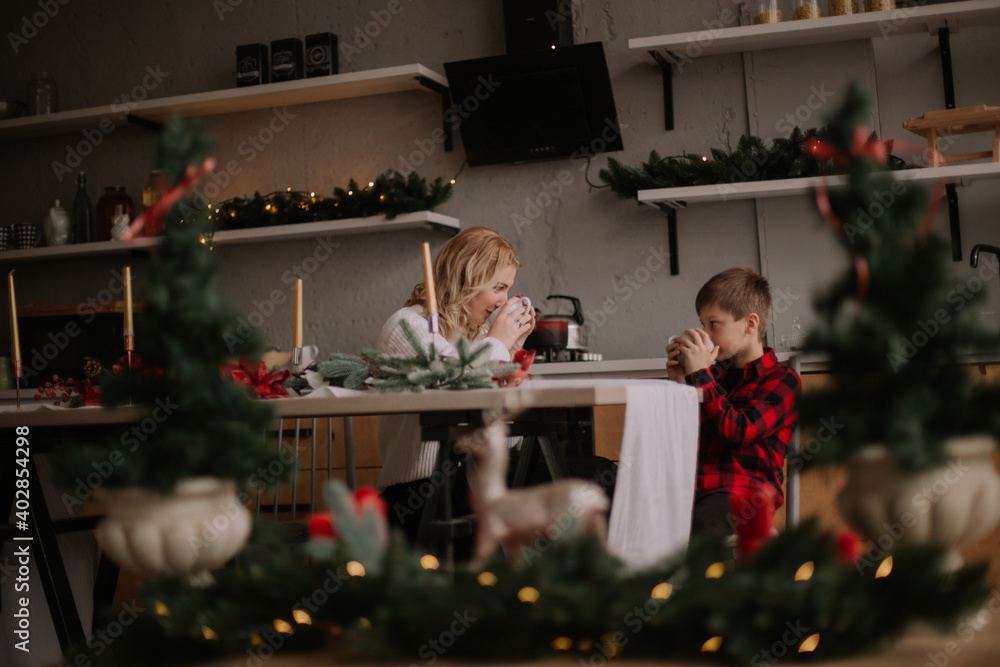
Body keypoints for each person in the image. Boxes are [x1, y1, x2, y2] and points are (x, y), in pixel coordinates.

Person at [375, 227, 536, 542]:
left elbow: (509, 437)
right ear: (465, 280)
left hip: (481, 474)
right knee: (583, 484)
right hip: (425, 487)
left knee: (595, 476)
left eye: (508, 289)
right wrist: (498, 345)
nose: (503, 300)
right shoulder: (408, 326)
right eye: (498, 288)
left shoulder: (476, 337)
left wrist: (512, 353)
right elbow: (452, 386)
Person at [665, 267, 800, 536]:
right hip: (692, 490)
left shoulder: (783, 379)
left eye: (713, 324)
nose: (705, 334)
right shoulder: (711, 376)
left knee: (698, 528)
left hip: (744, 495)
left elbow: (740, 431)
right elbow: (677, 439)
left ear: (750, 324)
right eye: (702, 324)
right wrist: (680, 384)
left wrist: (701, 375)